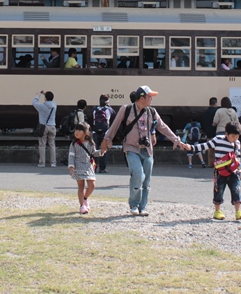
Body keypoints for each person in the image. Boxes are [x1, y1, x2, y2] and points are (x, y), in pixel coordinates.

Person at [101, 85, 183, 216]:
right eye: (150, 96)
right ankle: (134, 204)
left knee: (146, 181)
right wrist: (106, 140)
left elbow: (163, 127)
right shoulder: (126, 109)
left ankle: (143, 207)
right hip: (131, 148)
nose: (152, 99)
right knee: (138, 175)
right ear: (142, 98)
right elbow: (114, 125)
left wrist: (176, 140)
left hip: (147, 149)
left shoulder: (152, 111)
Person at [183, 122, 241, 221]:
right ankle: (217, 211)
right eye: (233, 136)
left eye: (237, 137)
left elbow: (238, 157)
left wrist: (239, 170)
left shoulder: (237, 143)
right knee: (218, 190)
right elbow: (205, 146)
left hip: (233, 172)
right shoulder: (218, 139)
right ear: (226, 133)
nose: (235, 139)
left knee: (236, 190)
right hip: (220, 171)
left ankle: (238, 211)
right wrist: (191, 147)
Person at [67, 123, 102, 214]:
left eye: (79, 130)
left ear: (86, 132)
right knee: (81, 186)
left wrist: (101, 152)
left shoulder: (91, 143)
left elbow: (94, 153)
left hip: (88, 166)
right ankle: (82, 205)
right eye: (76, 130)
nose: (77, 132)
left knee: (92, 185)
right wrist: (71, 166)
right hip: (78, 166)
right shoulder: (74, 144)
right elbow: (71, 156)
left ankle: (85, 198)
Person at [33, 90, 58, 167]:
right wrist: (45, 95)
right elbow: (51, 100)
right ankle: (53, 162)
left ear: (45, 98)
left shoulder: (41, 106)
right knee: (52, 145)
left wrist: (39, 95)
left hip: (43, 127)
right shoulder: (54, 105)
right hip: (52, 126)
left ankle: (42, 163)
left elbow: (34, 102)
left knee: (42, 145)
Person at [91, 95, 115, 173]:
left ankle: (93, 167)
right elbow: (114, 118)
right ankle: (102, 168)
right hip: (105, 133)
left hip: (95, 132)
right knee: (103, 150)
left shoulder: (94, 109)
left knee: (93, 150)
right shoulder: (109, 110)